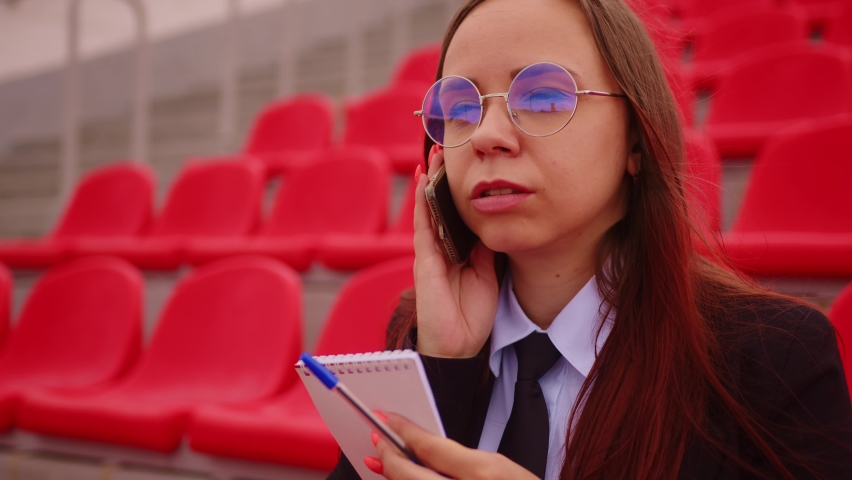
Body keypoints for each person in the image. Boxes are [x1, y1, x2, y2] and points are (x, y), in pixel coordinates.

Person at [328, 0, 852, 478]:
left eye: (545, 97)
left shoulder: (774, 357)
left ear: (636, 140)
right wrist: (442, 367)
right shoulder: (422, 333)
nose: (486, 135)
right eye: (461, 108)